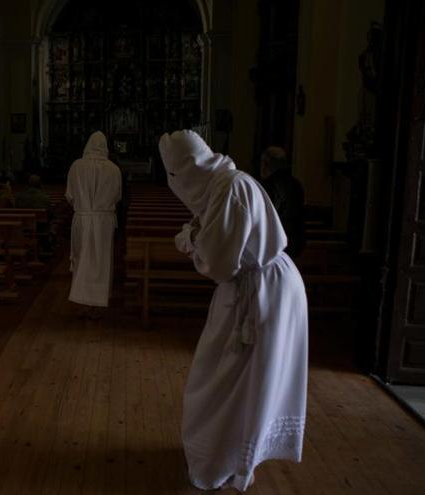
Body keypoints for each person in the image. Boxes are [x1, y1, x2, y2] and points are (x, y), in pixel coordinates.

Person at [159, 130, 308, 492]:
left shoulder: (230, 188)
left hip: (260, 291)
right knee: (234, 377)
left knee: (232, 379)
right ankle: (228, 456)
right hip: (256, 287)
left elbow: (217, 262)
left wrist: (193, 239)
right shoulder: (224, 184)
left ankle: (225, 461)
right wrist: (197, 235)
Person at [66, 131, 122, 315]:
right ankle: (97, 304)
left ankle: (82, 302)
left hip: (82, 219)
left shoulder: (76, 166)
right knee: (101, 261)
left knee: (82, 258)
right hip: (103, 222)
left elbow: (70, 196)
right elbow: (117, 197)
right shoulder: (114, 169)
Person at [260, 146, 306, 257]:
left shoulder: (268, 185)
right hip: (296, 242)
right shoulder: (296, 184)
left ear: (266, 164)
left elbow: (267, 216)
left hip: (277, 243)